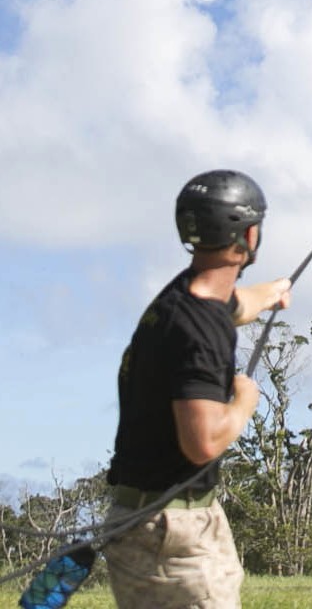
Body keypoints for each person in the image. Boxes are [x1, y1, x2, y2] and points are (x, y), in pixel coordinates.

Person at [102, 169, 292, 609]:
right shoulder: (199, 331)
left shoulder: (182, 297)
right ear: (249, 233)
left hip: (152, 523)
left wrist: (273, 292)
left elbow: (232, 304)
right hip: (172, 536)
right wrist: (244, 400)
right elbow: (202, 441)